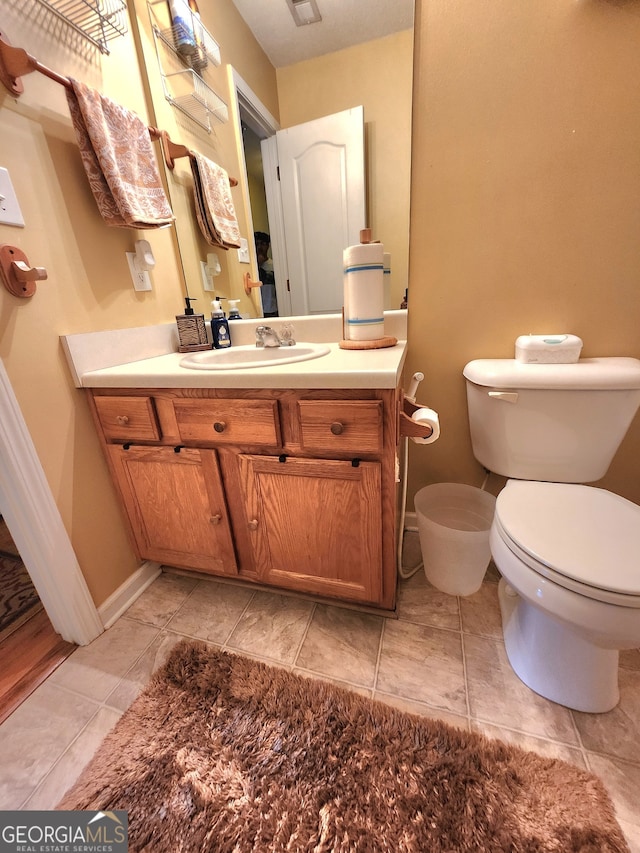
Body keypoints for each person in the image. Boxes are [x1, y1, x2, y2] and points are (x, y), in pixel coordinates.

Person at [254, 231, 278, 318]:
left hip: (273, 310)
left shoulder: (275, 266)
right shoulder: (251, 267)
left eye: (263, 244)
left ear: (268, 246)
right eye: (257, 244)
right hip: (256, 311)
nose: (259, 247)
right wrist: (258, 264)